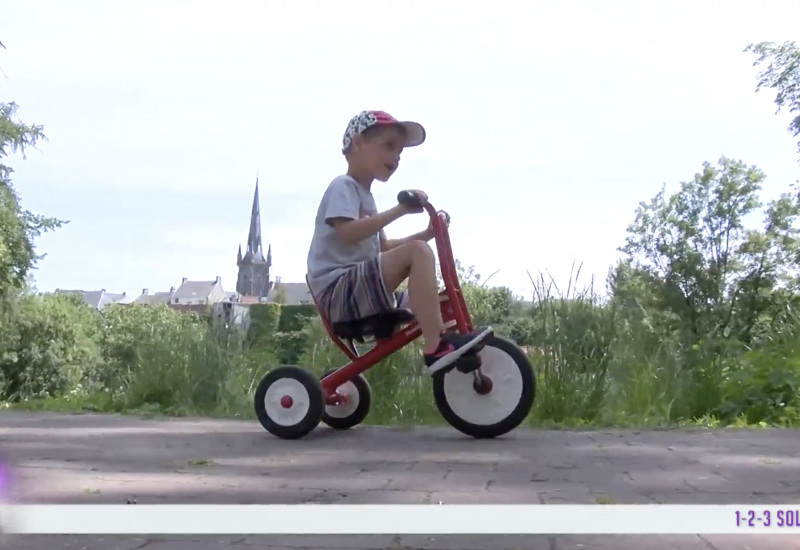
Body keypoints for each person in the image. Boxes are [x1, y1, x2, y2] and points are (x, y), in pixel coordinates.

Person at [306, 110, 492, 373]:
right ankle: (436, 347)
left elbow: (383, 249)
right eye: (389, 146)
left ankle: (453, 346)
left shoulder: (366, 198)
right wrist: (400, 210)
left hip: (356, 289)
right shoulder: (343, 186)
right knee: (418, 253)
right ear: (358, 142)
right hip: (339, 293)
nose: (395, 158)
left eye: (400, 153)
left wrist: (427, 234)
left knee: (433, 300)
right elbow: (347, 233)